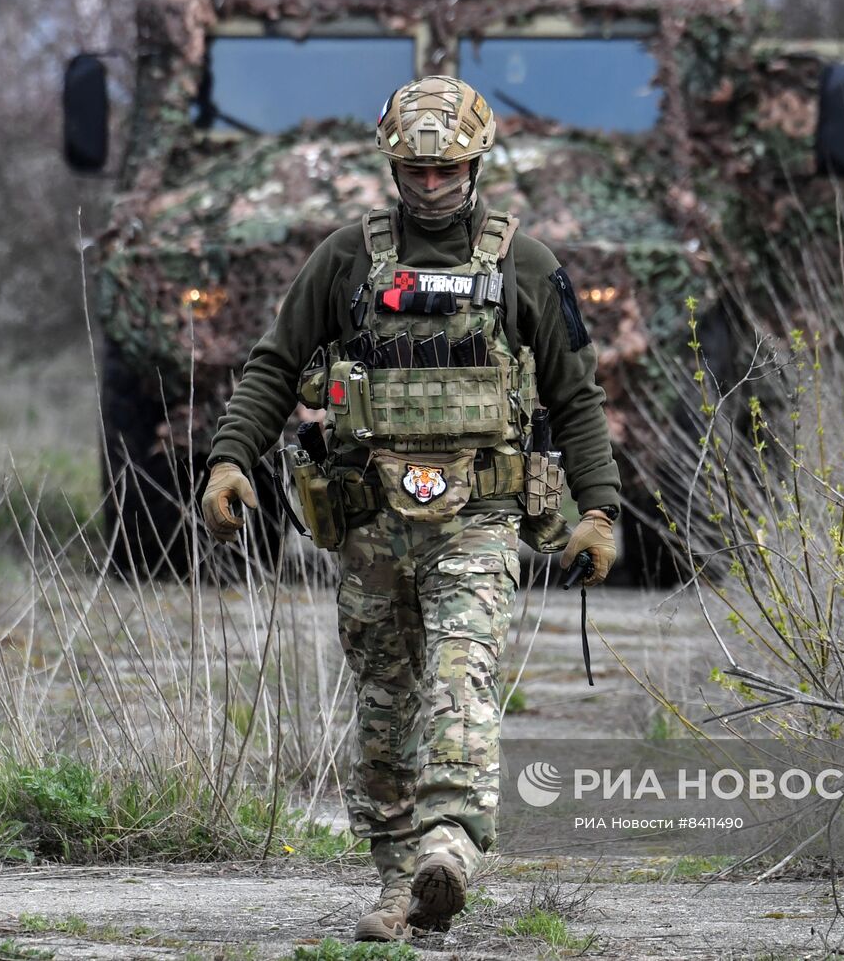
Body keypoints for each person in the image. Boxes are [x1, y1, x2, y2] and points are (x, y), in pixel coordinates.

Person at [200, 75, 620, 941]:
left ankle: (450, 846)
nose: (432, 186)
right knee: (387, 705)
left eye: (448, 170)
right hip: (371, 523)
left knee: (461, 675)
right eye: (416, 171)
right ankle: (400, 885)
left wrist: (599, 510)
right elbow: (275, 365)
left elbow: (578, 399)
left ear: (475, 164)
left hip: (481, 516)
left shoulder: (526, 265)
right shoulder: (346, 259)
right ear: (393, 165)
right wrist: (230, 460)